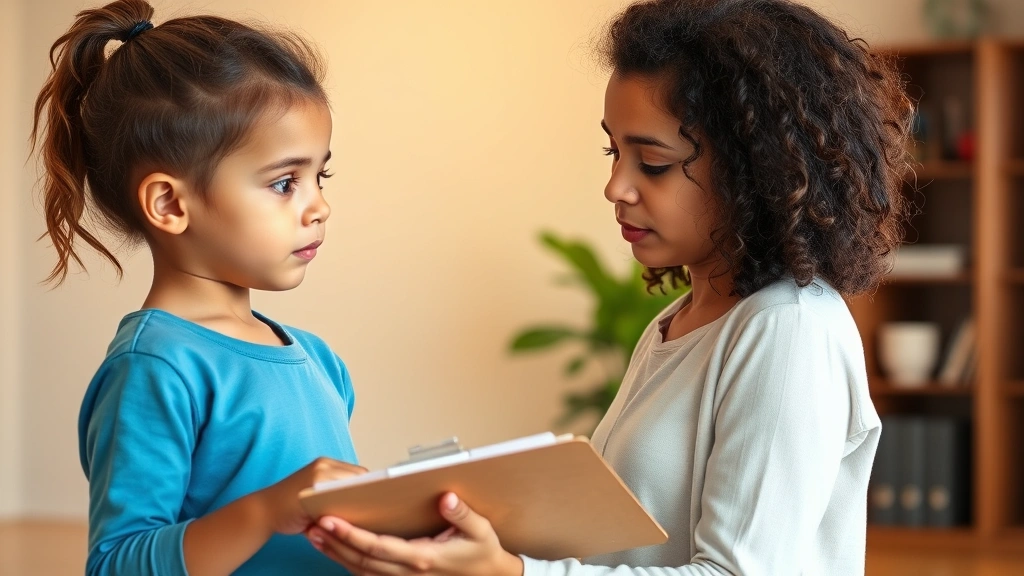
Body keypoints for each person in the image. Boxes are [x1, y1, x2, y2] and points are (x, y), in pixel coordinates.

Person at [307, 0, 912, 574]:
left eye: (652, 163)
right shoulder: (677, 323)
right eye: (613, 150)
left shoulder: (789, 327)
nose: (616, 186)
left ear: (756, 169)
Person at [30, 1, 365, 574]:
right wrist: (266, 511)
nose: (320, 206)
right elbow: (116, 563)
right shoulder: (155, 369)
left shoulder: (321, 363)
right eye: (285, 182)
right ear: (170, 204)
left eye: (320, 175)